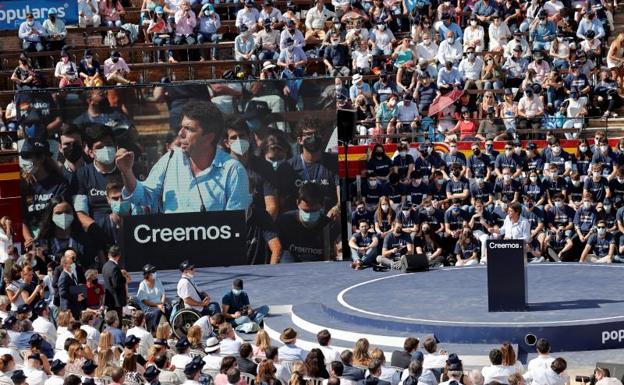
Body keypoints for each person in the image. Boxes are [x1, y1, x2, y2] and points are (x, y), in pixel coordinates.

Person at [118, 100, 250, 212]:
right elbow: (143, 197)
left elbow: (235, 225)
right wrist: (127, 172)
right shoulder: (170, 159)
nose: (180, 133)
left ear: (209, 138)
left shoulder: (233, 170)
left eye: (189, 129)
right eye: (182, 127)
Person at [136, 264, 168, 332]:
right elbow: (144, 301)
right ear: (147, 274)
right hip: (149, 308)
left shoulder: (158, 281)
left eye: (154, 271)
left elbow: (163, 294)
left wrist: (161, 303)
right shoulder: (142, 285)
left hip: (160, 305)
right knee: (157, 311)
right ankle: (155, 331)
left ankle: (172, 329)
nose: (154, 273)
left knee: (169, 308)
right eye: (152, 272)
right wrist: (157, 305)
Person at [58, 254, 86, 320]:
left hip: (75, 306)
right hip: (68, 308)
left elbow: (71, 288)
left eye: (72, 263)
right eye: (70, 263)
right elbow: (62, 293)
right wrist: (76, 297)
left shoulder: (71, 274)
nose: (72, 264)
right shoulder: (63, 277)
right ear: (65, 265)